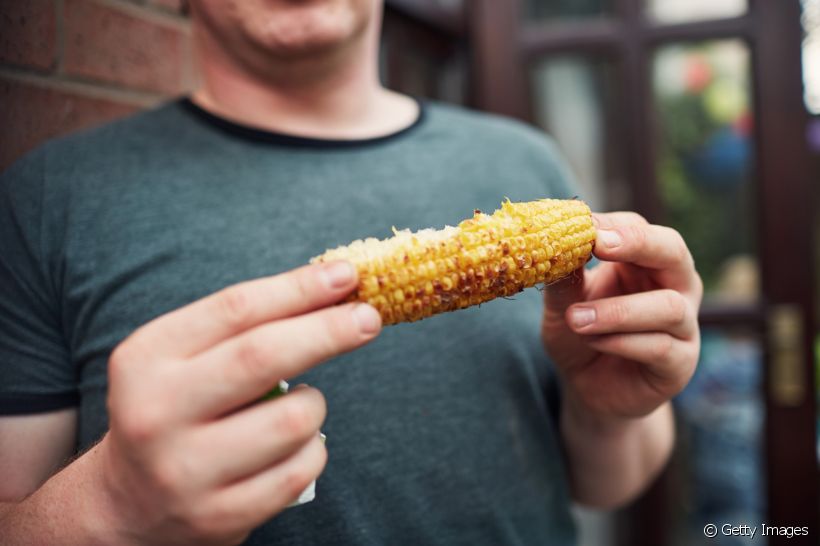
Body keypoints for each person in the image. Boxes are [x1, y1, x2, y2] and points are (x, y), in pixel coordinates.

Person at [0, 1, 702, 544]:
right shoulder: (47, 201)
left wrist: (608, 416)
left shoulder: (527, 162)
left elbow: (602, 484)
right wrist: (110, 507)